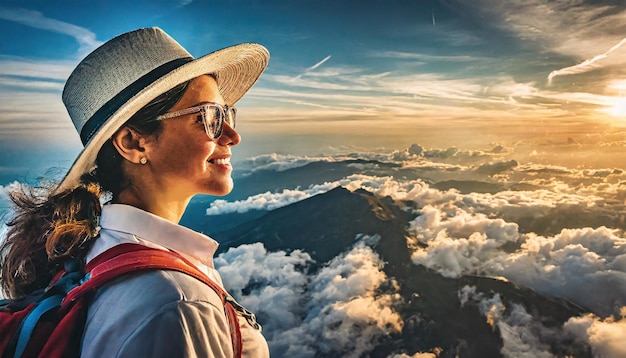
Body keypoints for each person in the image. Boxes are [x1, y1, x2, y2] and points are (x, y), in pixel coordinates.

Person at [0, 27, 270, 357]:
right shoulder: (178, 305)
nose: (231, 135)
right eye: (210, 116)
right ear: (133, 142)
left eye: (227, 113)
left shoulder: (93, 251)